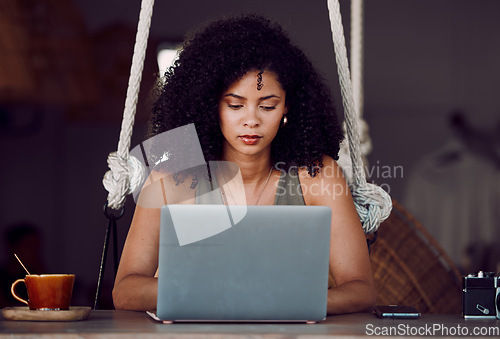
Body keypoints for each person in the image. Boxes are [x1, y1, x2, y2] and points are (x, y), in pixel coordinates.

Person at [112, 14, 376, 314]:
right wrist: (223, 292)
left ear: (288, 106)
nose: (252, 120)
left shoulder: (319, 175)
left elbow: (361, 289)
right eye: (235, 105)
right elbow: (126, 290)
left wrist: (286, 302)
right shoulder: (170, 175)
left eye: (268, 105)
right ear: (211, 104)